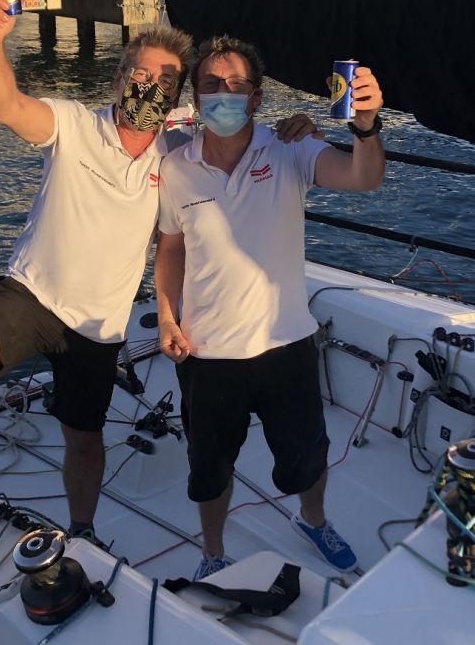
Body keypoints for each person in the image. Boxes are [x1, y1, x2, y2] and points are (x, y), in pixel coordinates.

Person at [0, 0, 317, 567]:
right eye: (141, 74)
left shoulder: (176, 153)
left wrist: (294, 124)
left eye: (166, 82)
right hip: (33, 294)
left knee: (85, 438)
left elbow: (232, 134)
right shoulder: (73, 125)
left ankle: (83, 530)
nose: (150, 87)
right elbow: (6, 105)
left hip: (98, 325)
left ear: (178, 95)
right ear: (119, 77)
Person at [154, 35, 385, 581]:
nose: (224, 95)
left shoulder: (291, 148)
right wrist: (166, 315)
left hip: (287, 344)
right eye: (211, 85)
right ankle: (213, 549)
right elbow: (170, 247)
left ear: (257, 98)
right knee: (209, 470)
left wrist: (368, 126)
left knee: (307, 456)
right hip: (207, 352)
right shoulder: (175, 167)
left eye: (237, 86)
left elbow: (363, 177)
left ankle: (313, 519)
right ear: (195, 98)